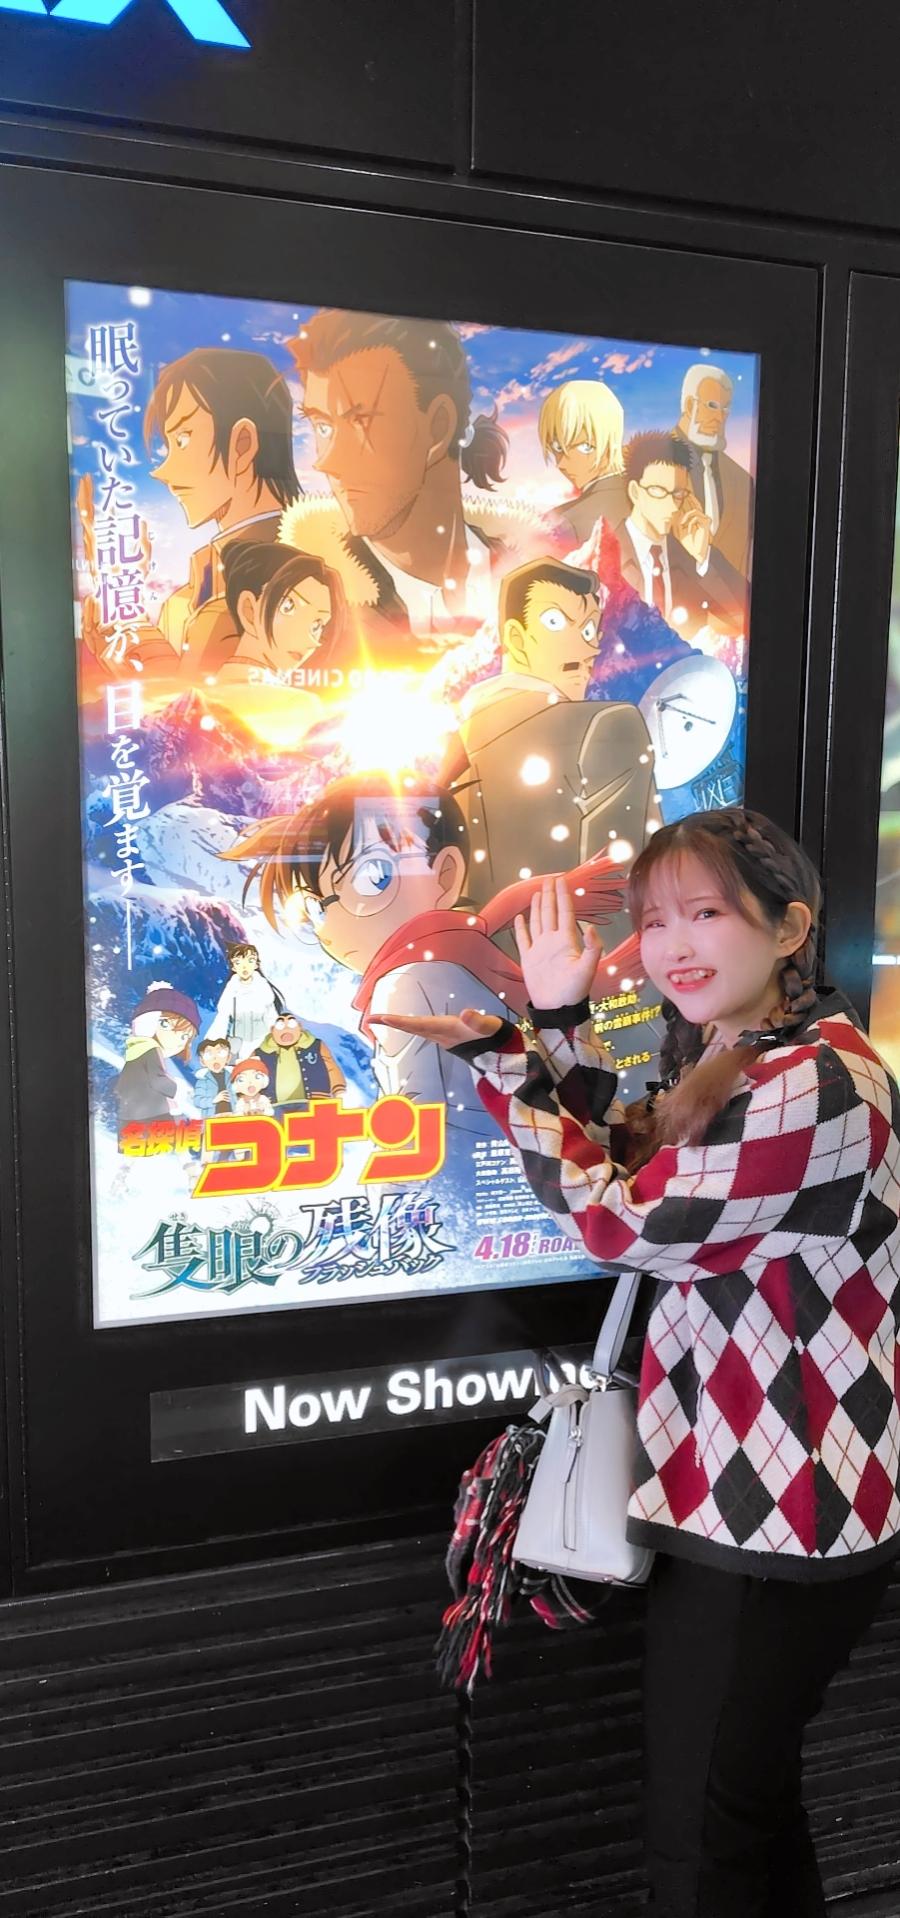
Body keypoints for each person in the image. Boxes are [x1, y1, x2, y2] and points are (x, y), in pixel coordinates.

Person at [371, 806, 900, 1916]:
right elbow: (629, 1143)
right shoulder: (746, 1054)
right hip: (752, 1500)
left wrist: (512, 1063)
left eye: (705, 914)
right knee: (744, 1813)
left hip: (775, 1516)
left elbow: (619, 1220)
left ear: (789, 927)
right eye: (655, 922)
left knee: (699, 1846)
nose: (673, 946)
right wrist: (548, 1022)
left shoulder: (815, 1084)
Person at [222, 775, 632, 1135]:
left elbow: (415, 1119)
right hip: (540, 1157)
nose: (333, 923)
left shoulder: (403, 984)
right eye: (316, 907)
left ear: (446, 875)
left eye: (372, 878)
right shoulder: (464, 958)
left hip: (476, 1172)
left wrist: (392, 1192)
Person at [284, 310, 545, 641]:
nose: (326, 461)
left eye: (361, 423)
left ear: (437, 427)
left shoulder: (540, 588)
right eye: (322, 426)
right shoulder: (305, 614)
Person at [445, 557, 662, 923]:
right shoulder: (610, 724)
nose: (589, 649)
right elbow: (616, 900)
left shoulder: (458, 747)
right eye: (556, 623)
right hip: (578, 957)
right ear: (516, 638)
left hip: (476, 957)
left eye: (590, 629)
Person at [143, 347, 302, 673]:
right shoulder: (185, 599)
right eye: (169, 446)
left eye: (183, 439)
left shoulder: (317, 581)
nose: (161, 471)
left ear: (243, 443)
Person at [614, 433, 747, 643]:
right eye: (659, 491)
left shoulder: (689, 557)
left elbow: (749, 617)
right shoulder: (604, 554)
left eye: (678, 494)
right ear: (635, 492)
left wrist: (703, 557)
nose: (672, 505)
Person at [218, 539, 347, 687]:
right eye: (288, 606)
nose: (312, 641)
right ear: (249, 610)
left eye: (317, 625)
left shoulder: (218, 685)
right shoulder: (289, 698)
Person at [672, 362, 755, 577]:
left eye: (725, 409)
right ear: (689, 405)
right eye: (712, 405)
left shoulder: (743, 482)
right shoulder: (646, 463)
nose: (720, 417)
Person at [539, 378, 630, 545]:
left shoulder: (563, 522)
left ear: (611, 440)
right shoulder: (653, 502)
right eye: (557, 448)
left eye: (585, 447)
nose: (562, 464)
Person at [115, 982, 200, 1130]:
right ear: (151, 1022)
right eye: (167, 1025)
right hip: (146, 1114)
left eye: (185, 1037)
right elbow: (157, 1080)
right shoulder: (149, 1049)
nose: (180, 1041)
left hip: (139, 1111)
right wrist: (178, 1088)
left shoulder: (139, 1049)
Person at [206, 942, 283, 1058]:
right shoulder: (231, 990)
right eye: (238, 962)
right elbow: (222, 1018)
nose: (244, 967)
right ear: (233, 967)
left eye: (250, 961)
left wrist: (278, 1038)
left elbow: (271, 1016)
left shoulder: (263, 988)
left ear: (256, 964)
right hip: (237, 1043)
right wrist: (213, 1041)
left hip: (262, 1040)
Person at [259, 1010, 345, 1111]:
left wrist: (338, 1089)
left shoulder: (316, 1046)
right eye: (280, 1025)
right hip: (273, 1107)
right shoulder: (261, 1053)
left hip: (314, 1102)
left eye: (291, 1024)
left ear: (299, 1027)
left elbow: (331, 1068)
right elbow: (248, 1073)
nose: (286, 1029)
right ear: (272, 1030)